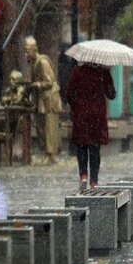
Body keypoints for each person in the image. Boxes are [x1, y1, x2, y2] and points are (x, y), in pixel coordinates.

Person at [64, 62, 116, 189]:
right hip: (96, 116)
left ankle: (83, 175)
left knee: (81, 146)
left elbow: (68, 93)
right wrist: (108, 77)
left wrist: (76, 105)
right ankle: (94, 181)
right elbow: (111, 94)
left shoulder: (77, 71)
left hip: (80, 114)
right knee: (94, 148)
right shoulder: (102, 72)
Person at [24, 36, 62, 164]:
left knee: (49, 126)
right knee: (41, 127)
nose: (26, 54)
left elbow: (49, 82)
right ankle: (47, 152)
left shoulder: (42, 62)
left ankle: (50, 154)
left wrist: (36, 84)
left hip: (49, 99)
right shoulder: (33, 63)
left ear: (34, 50)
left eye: (28, 51)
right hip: (42, 99)